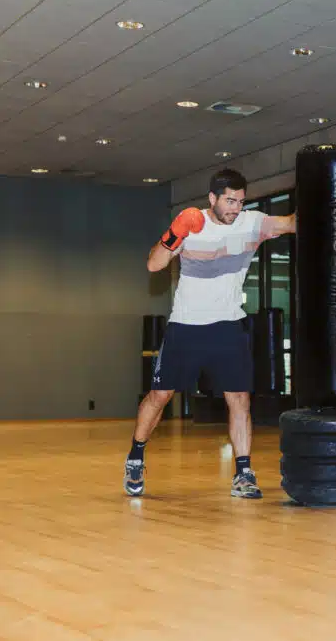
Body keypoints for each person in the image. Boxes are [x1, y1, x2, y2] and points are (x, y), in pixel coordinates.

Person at [124, 168, 297, 499]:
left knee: (239, 398)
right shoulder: (193, 224)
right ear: (213, 198)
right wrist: (175, 233)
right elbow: (154, 264)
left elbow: (290, 223)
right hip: (185, 325)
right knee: (160, 395)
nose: (236, 208)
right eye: (230, 201)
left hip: (228, 324)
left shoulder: (252, 224)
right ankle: (135, 456)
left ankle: (243, 472)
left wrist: (323, 192)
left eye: (241, 201)